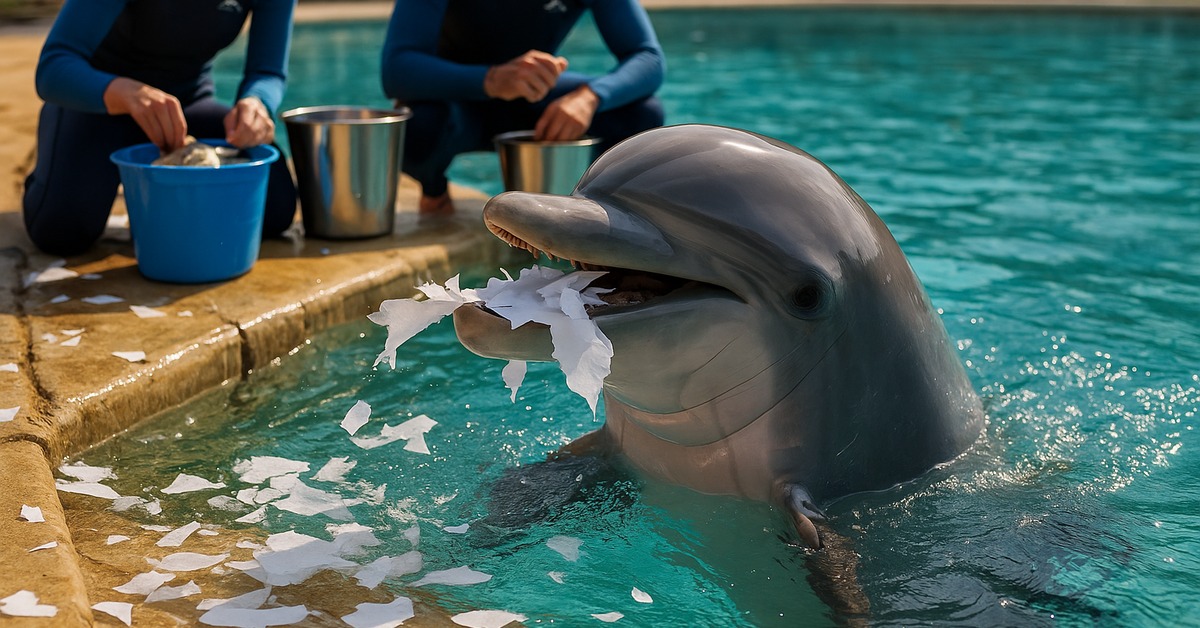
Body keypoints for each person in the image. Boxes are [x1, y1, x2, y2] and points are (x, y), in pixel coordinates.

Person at [23, 0, 298, 257]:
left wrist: (256, 102)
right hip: (99, 102)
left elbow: (268, 72)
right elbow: (54, 66)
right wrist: (126, 95)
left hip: (187, 103)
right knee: (61, 231)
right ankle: (53, 158)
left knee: (275, 209)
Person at [381, 0, 666, 215]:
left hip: (534, 102)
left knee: (642, 114)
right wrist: (492, 79)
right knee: (416, 126)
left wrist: (589, 98)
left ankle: (595, 221)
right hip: (456, 105)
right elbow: (397, 69)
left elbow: (648, 58)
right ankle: (434, 192)